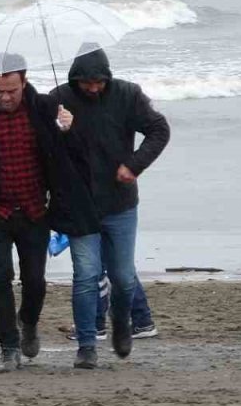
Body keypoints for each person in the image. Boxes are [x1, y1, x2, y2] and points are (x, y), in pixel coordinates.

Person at [0, 53, 97, 372]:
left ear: (24, 81)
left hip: (34, 210)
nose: (5, 96)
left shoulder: (46, 108)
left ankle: (28, 322)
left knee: (35, 281)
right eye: (0, 89)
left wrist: (69, 128)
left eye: (12, 90)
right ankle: (8, 348)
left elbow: (74, 153)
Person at [49, 46, 170, 369]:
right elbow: (46, 149)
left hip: (120, 203)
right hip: (80, 206)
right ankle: (87, 345)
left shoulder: (127, 95)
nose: (92, 87)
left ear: (107, 78)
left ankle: (121, 323)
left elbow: (160, 130)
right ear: (75, 79)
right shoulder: (59, 99)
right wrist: (58, 128)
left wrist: (134, 165)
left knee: (123, 276)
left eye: (99, 82)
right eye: (86, 82)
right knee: (86, 275)